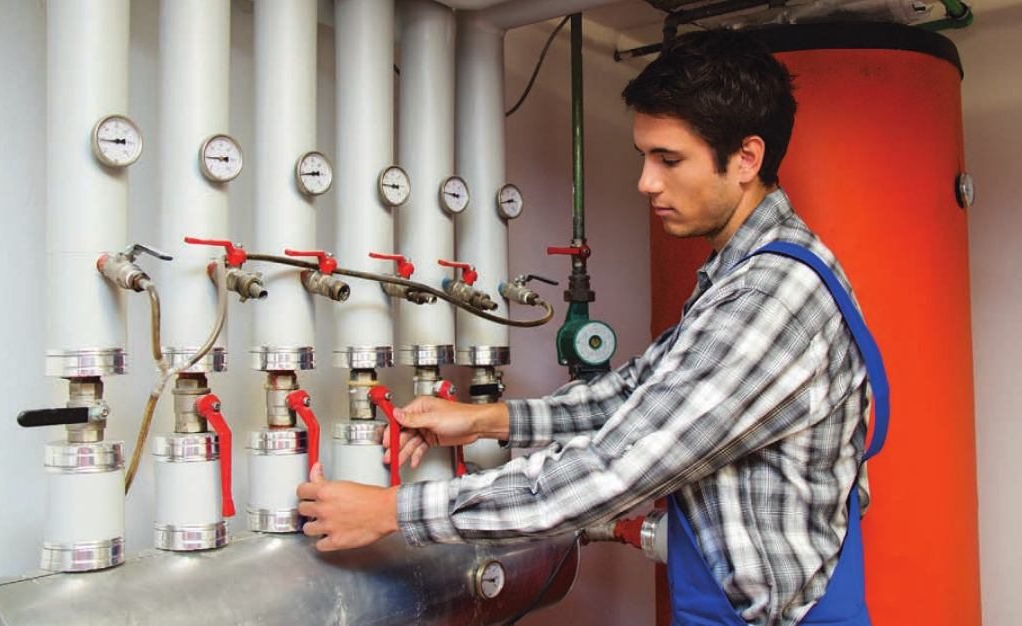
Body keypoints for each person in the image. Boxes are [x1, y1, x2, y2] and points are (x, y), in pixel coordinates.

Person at [298, 28, 885, 626]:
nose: (646, 181)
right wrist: (486, 419)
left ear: (746, 159)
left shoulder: (768, 297)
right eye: (645, 156)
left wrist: (394, 511)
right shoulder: (745, 272)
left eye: (669, 159)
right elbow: (637, 394)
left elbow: (614, 469)